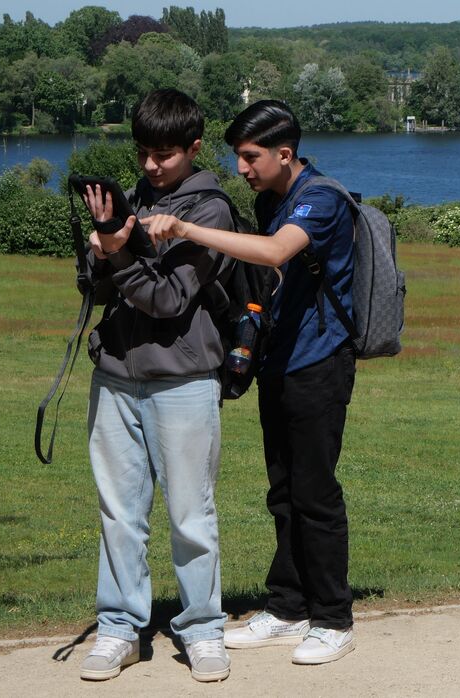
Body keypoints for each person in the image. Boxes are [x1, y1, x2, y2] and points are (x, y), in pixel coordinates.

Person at [141, 100, 358, 665]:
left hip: (321, 362)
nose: (241, 168)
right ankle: (288, 607)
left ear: (285, 153)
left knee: (315, 492)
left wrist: (187, 227)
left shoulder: (321, 198)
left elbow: (275, 251)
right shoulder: (271, 198)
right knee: (282, 491)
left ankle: (333, 618)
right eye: (237, 156)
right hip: (280, 361)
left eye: (250, 157)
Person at [77, 88, 234, 683]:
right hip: (115, 376)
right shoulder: (133, 199)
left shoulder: (211, 210)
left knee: (190, 512)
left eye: (163, 155)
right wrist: (98, 252)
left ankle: (202, 630)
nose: (149, 166)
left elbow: (169, 300)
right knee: (119, 513)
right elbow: (93, 290)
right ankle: (120, 629)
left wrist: (119, 253)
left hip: (184, 380)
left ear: (194, 148)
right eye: (142, 152)